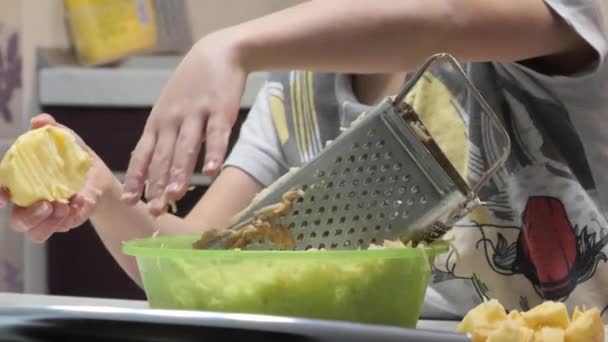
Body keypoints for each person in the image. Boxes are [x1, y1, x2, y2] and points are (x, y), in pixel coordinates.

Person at [3, 0, 608, 319]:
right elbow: (199, 261)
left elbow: (440, 17)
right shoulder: (294, 94)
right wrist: (104, 197)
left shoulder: (545, 18)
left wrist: (230, 44)